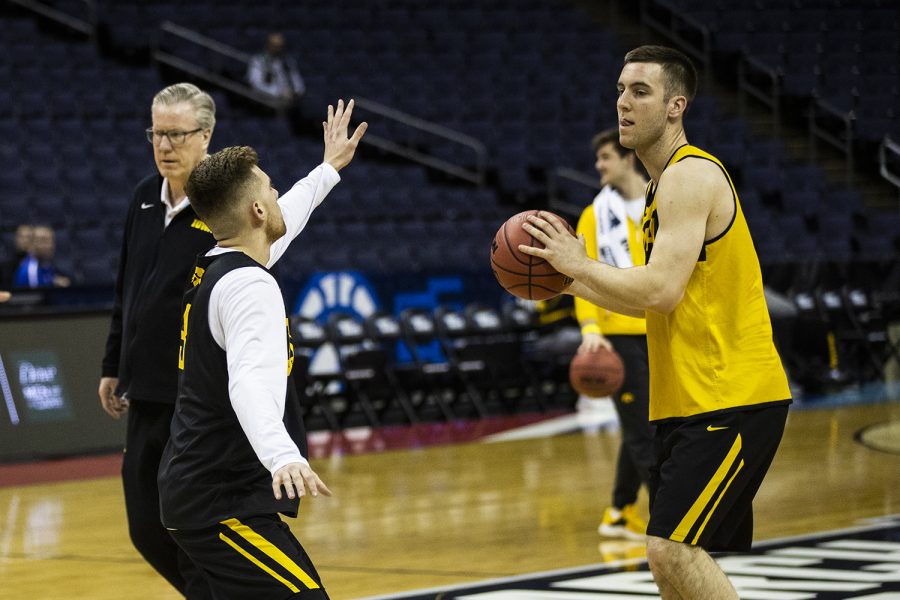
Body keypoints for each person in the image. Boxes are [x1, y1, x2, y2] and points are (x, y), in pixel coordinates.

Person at [520, 45, 791, 599]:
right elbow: (648, 300)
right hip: (690, 399)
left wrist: (579, 263)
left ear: (676, 106)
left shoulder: (689, 177)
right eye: (620, 90)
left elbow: (661, 292)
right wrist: (569, 283)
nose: (623, 102)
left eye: (640, 91)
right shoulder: (657, 188)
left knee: (670, 550)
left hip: (730, 395)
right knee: (673, 567)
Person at [158, 99, 367, 598]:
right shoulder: (252, 286)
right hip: (221, 502)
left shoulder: (219, 263)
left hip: (197, 491)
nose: (277, 195)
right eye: (270, 189)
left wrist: (327, 169)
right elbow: (248, 383)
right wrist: (282, 457)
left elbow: (284, 218)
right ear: (256, 210)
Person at [98, 82, 219, 598]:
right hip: (144, 390)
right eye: (156, 133)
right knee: (145, 528)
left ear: (206, 136)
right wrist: (112, 363)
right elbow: (128, 286)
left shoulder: (226, 206)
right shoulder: (145, 195)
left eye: (176, 134)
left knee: (191, 527)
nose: (164, 145)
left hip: (195, 400)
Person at [575, 128, 655, 541]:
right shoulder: (593, 215)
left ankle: (619, 512)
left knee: (644, 427)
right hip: (617, 336)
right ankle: (670, 521)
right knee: (643, 430)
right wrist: (590, 328)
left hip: (660, 327)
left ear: (628, 159)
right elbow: (581, 276)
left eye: (605, 157)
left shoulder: (661, 204)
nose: (598, 166)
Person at [247, 32, 306, 103]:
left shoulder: (288, 62)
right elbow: (256, 85)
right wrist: (279, 93)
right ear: (268, 45)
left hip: (289, 100)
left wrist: (296, 91)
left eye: (280, 46)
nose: (278, 49)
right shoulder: (258, 61)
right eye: (275, 46)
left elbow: (297, 81)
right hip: (267, 101)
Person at [1, 224, 34, 288]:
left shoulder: (40, 263)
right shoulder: (5, 266)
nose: (25, 240)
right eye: (21, 237)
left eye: (28, 237)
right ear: (16, 239)